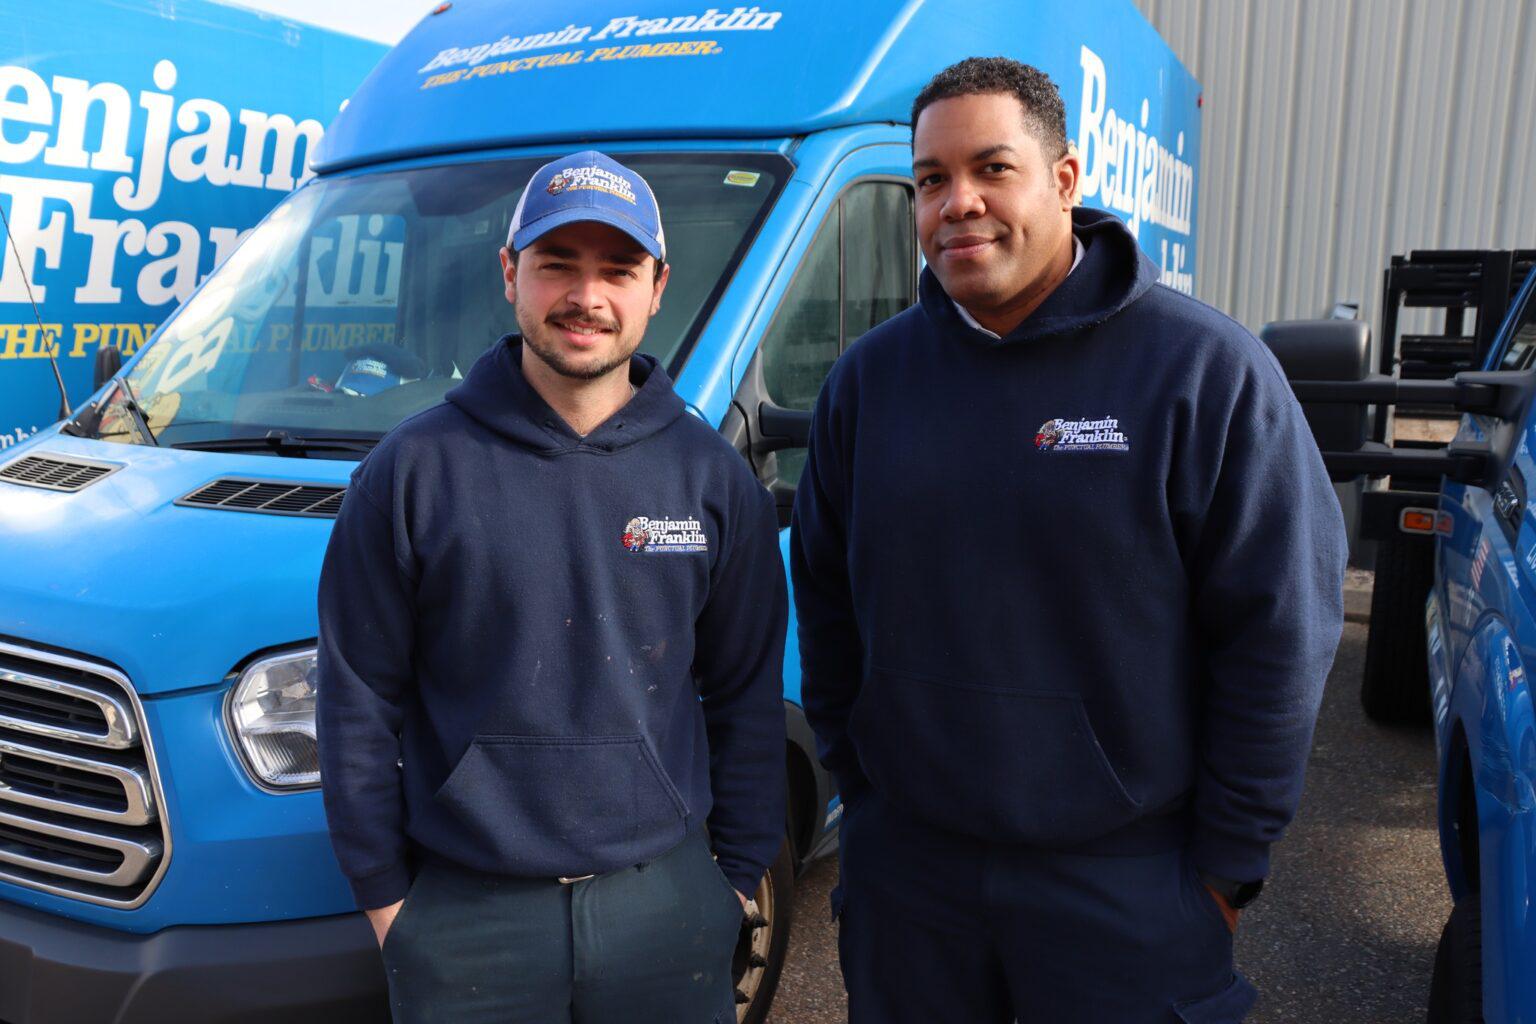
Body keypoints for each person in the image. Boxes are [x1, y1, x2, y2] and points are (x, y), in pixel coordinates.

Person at [790, 57, 1347, 1023]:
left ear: (1063, 180)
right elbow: (830, 602)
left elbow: (1280, 632)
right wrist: (867, 798)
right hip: (913, 886)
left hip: (1127, 885)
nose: (957, 202)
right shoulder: (868, 385)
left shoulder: (1204, 373)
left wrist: (1225, 867)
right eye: (930, 180)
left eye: (991, 169)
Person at [316, 149, 787, 1024]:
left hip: (667, 905)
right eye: (557, 265)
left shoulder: (713, 481)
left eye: (617, 269)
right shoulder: (411, 473)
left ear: (657, 285)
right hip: (466, 917)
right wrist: (390, 906)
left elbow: (744, 697)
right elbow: (356, 703)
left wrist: (731, 884)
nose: (587, 297)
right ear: (510, 273)